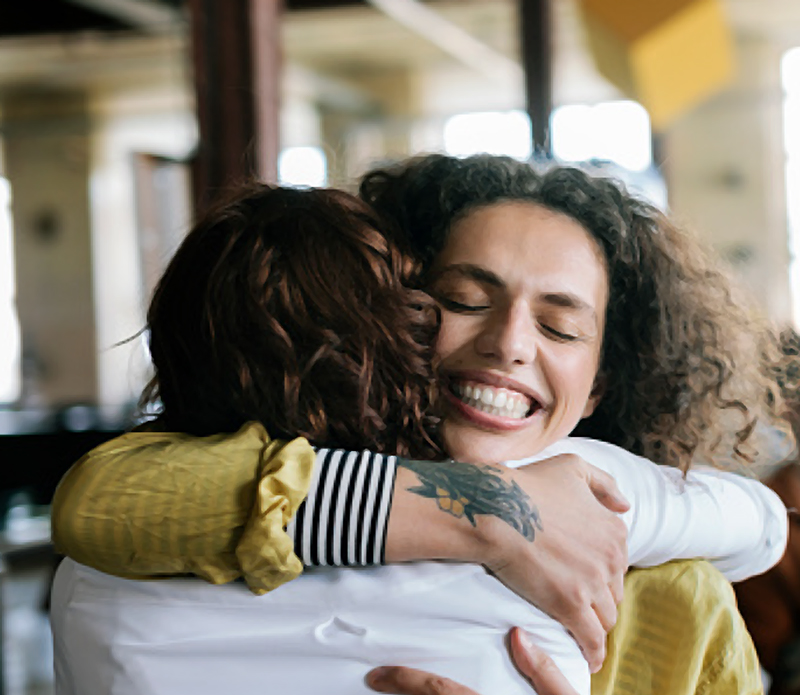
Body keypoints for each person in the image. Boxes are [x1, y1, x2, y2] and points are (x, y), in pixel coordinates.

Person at [51, 156, 793, 694]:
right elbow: (100, 498)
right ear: (390, 316)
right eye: (465, 298)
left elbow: (756, 524)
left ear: (601, 384)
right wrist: (494, 517)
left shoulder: (672, 597)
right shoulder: (228, 498)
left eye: (561, 326)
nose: (509, 343)